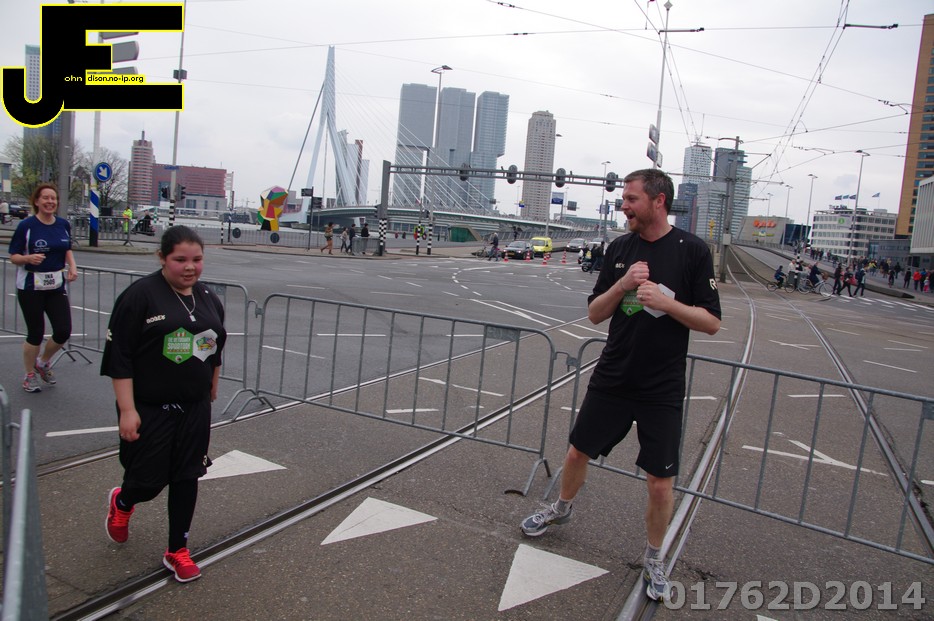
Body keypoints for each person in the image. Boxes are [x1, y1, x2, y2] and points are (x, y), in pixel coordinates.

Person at [520, 169, 721, 602]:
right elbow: (595, 313)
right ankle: (561, 508)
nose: (623, 205)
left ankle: (654, 557)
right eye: (624, 199)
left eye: (631, 199)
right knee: (577, 452)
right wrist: (623, 284)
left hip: (661, 386)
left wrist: (666, 303)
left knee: (660, 482)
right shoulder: (620, 248)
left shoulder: (692, 250)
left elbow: (711, 322)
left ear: (658, 201)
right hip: (612, 375)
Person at [101, 225, 227, 583]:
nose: (190, 267)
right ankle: (123, 501)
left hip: (194, 407)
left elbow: (215, 345)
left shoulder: (208, 297)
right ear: (162, 258)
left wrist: (212, 385)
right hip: (149, 407)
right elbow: (120, 358)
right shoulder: (140, 296)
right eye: (180, 259)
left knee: (187, 477)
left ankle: (178, 550)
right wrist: (127, 410)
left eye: (197, 259)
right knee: (147, 482)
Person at [8, 183, 79, 393]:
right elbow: (14, 256)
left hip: (55, 285)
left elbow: (67, 248)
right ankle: (29, 375)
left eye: (53, 198)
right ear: (37, 201)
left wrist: (72, 266)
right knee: (35, 333)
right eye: (46, 198)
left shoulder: (63, 224)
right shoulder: (27, 226)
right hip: (31, 286)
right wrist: (28, 258)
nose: (50, 202)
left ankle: (42, 362)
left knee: (63, 330)